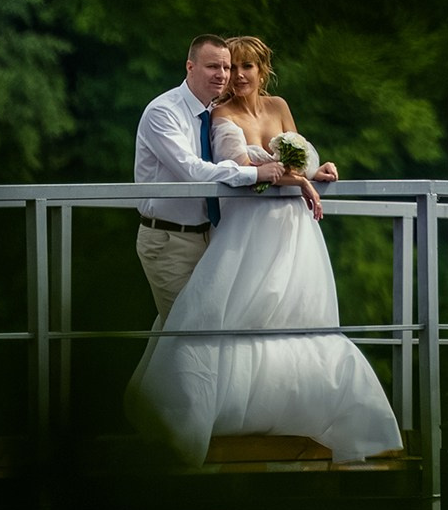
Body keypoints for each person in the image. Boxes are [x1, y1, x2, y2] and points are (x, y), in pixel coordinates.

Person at [126, 34, 403, 466]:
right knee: (199, 328)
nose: (231, 76)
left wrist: (316, 170)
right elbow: (220, 168)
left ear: (261, 69)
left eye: (240, 67)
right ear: (190, 67)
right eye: (223, 67)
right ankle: (179, 437)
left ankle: (287, 416)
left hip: (272, 230)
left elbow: (295, 160)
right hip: (204, 233)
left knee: (284, 321)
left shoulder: (274, 107)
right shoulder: (195, 113)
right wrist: (285, 178)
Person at [129, 34, 309, 318]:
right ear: (190, 67)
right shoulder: (163, 112)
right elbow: (192, 171)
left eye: (226, 67)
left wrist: (312, 173)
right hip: (169, 238)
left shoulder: (210, 111)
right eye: (214, 67)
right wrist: (254, 173)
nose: (224, 75)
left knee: (200, 330)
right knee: (187, 330)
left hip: (210, 236)